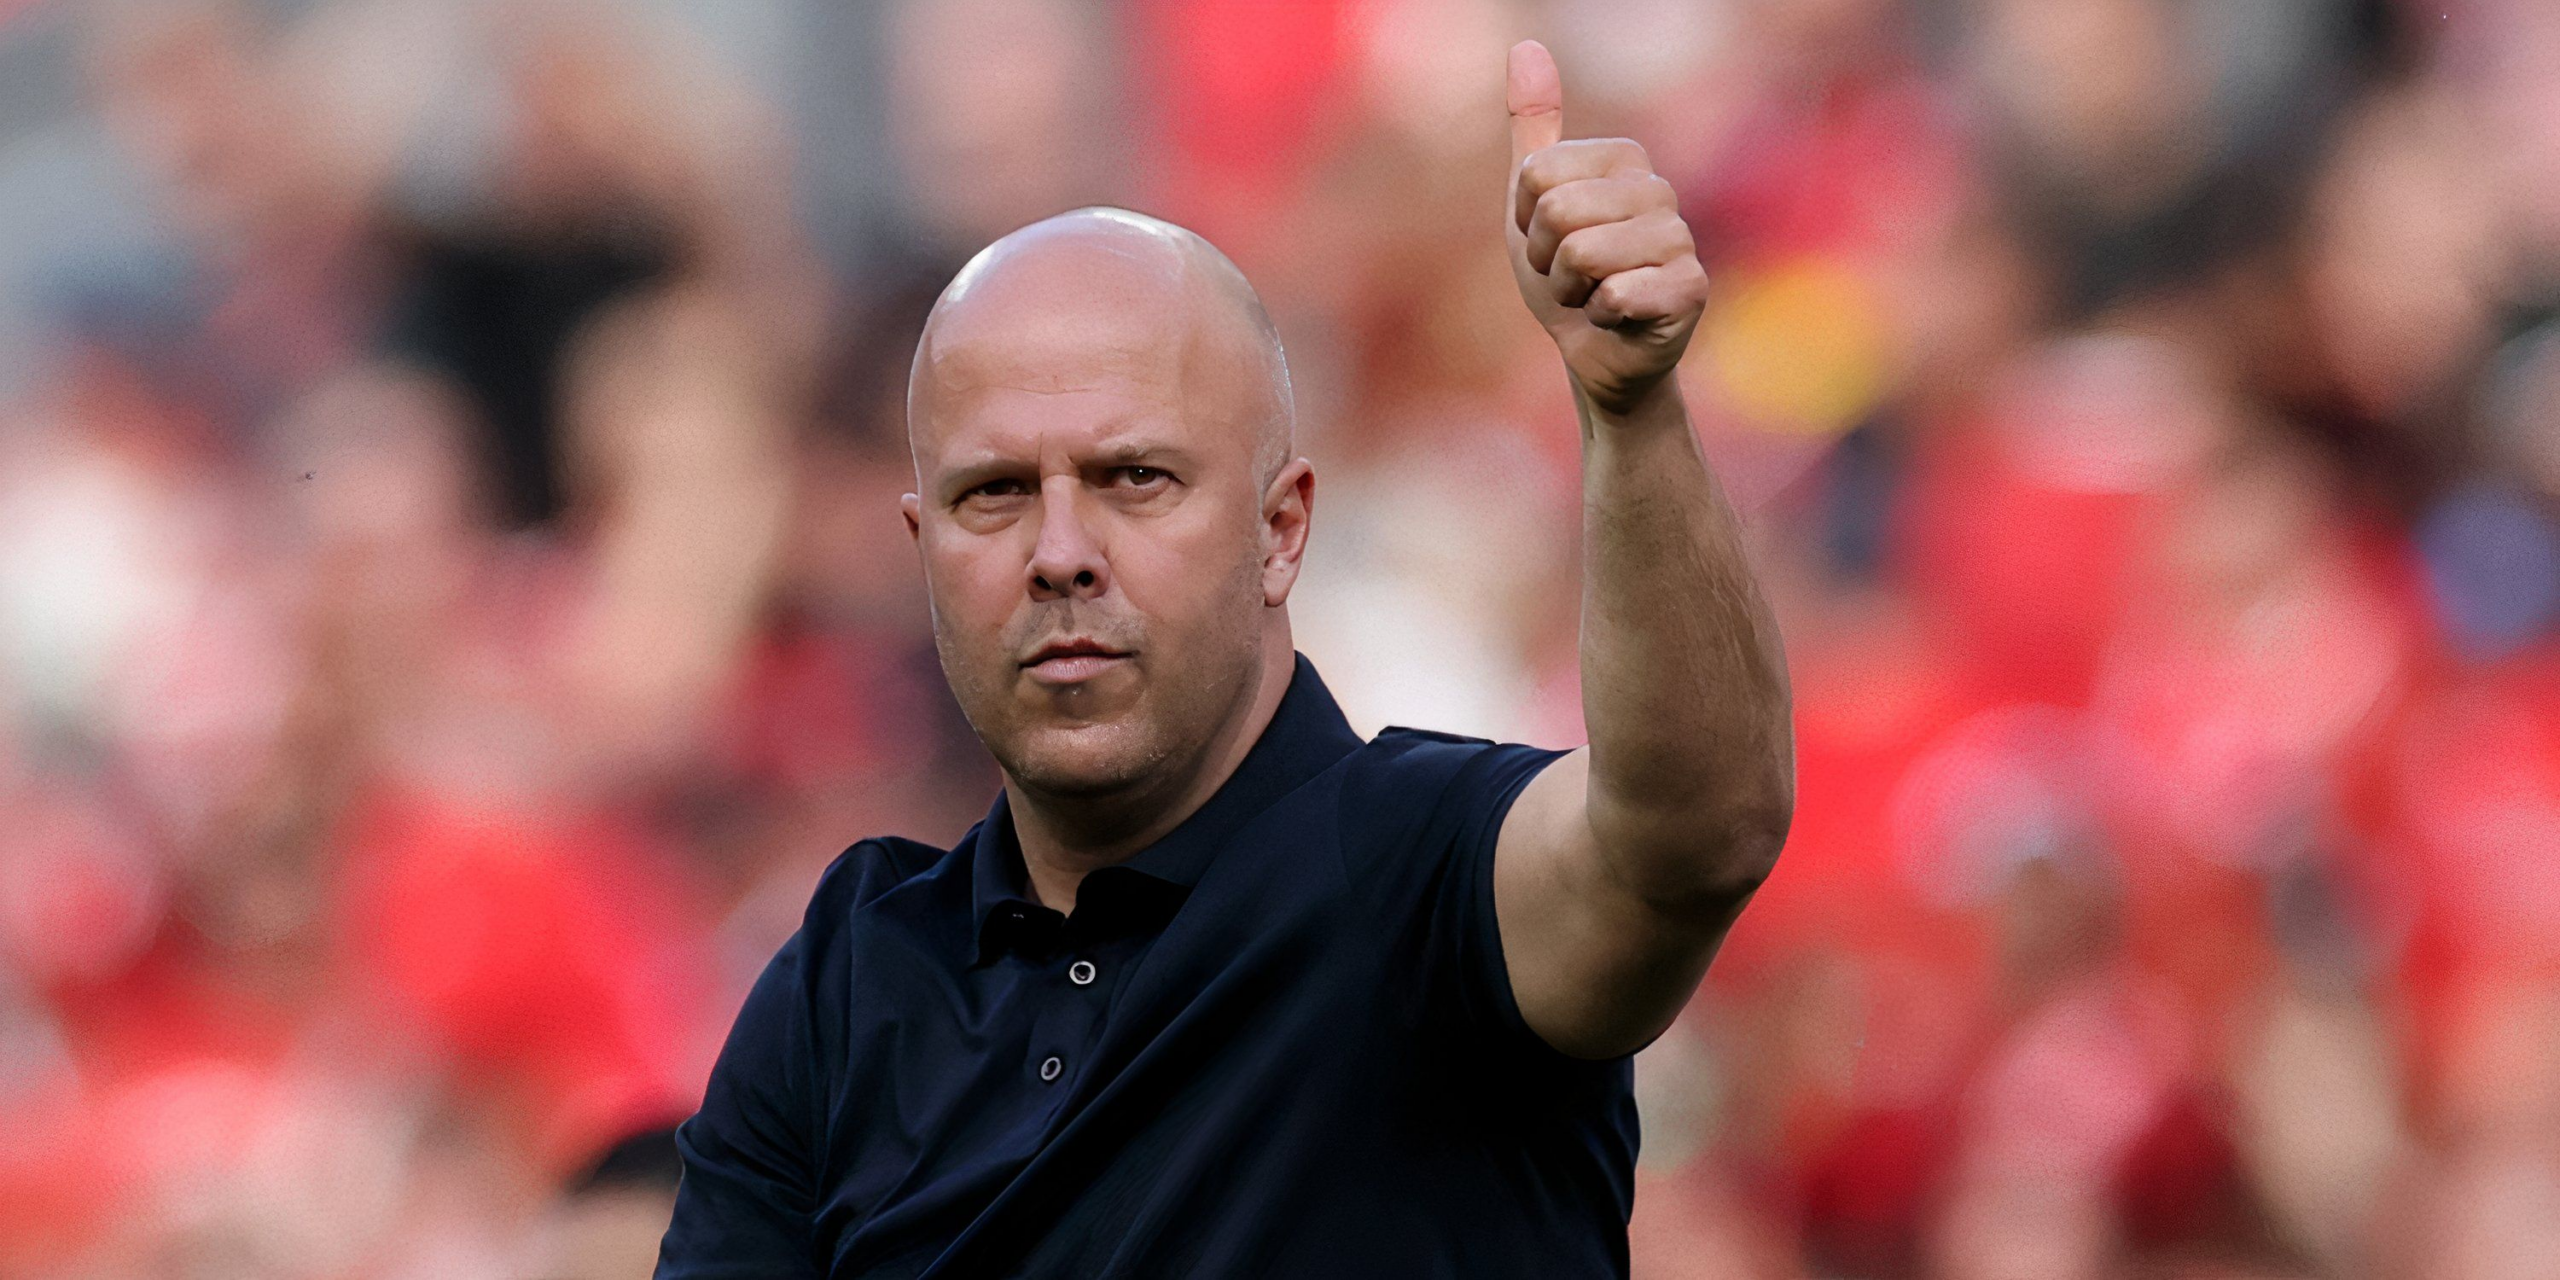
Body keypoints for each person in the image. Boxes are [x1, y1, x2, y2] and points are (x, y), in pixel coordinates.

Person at [654, 42, 1793, 1278]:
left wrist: (1632, 409)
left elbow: (1694, 832)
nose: (1060, 552)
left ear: (1281, 527)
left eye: (1134, 477)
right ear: (920, 548)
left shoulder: (1430, 882)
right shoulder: (844, 985)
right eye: (995, 493)